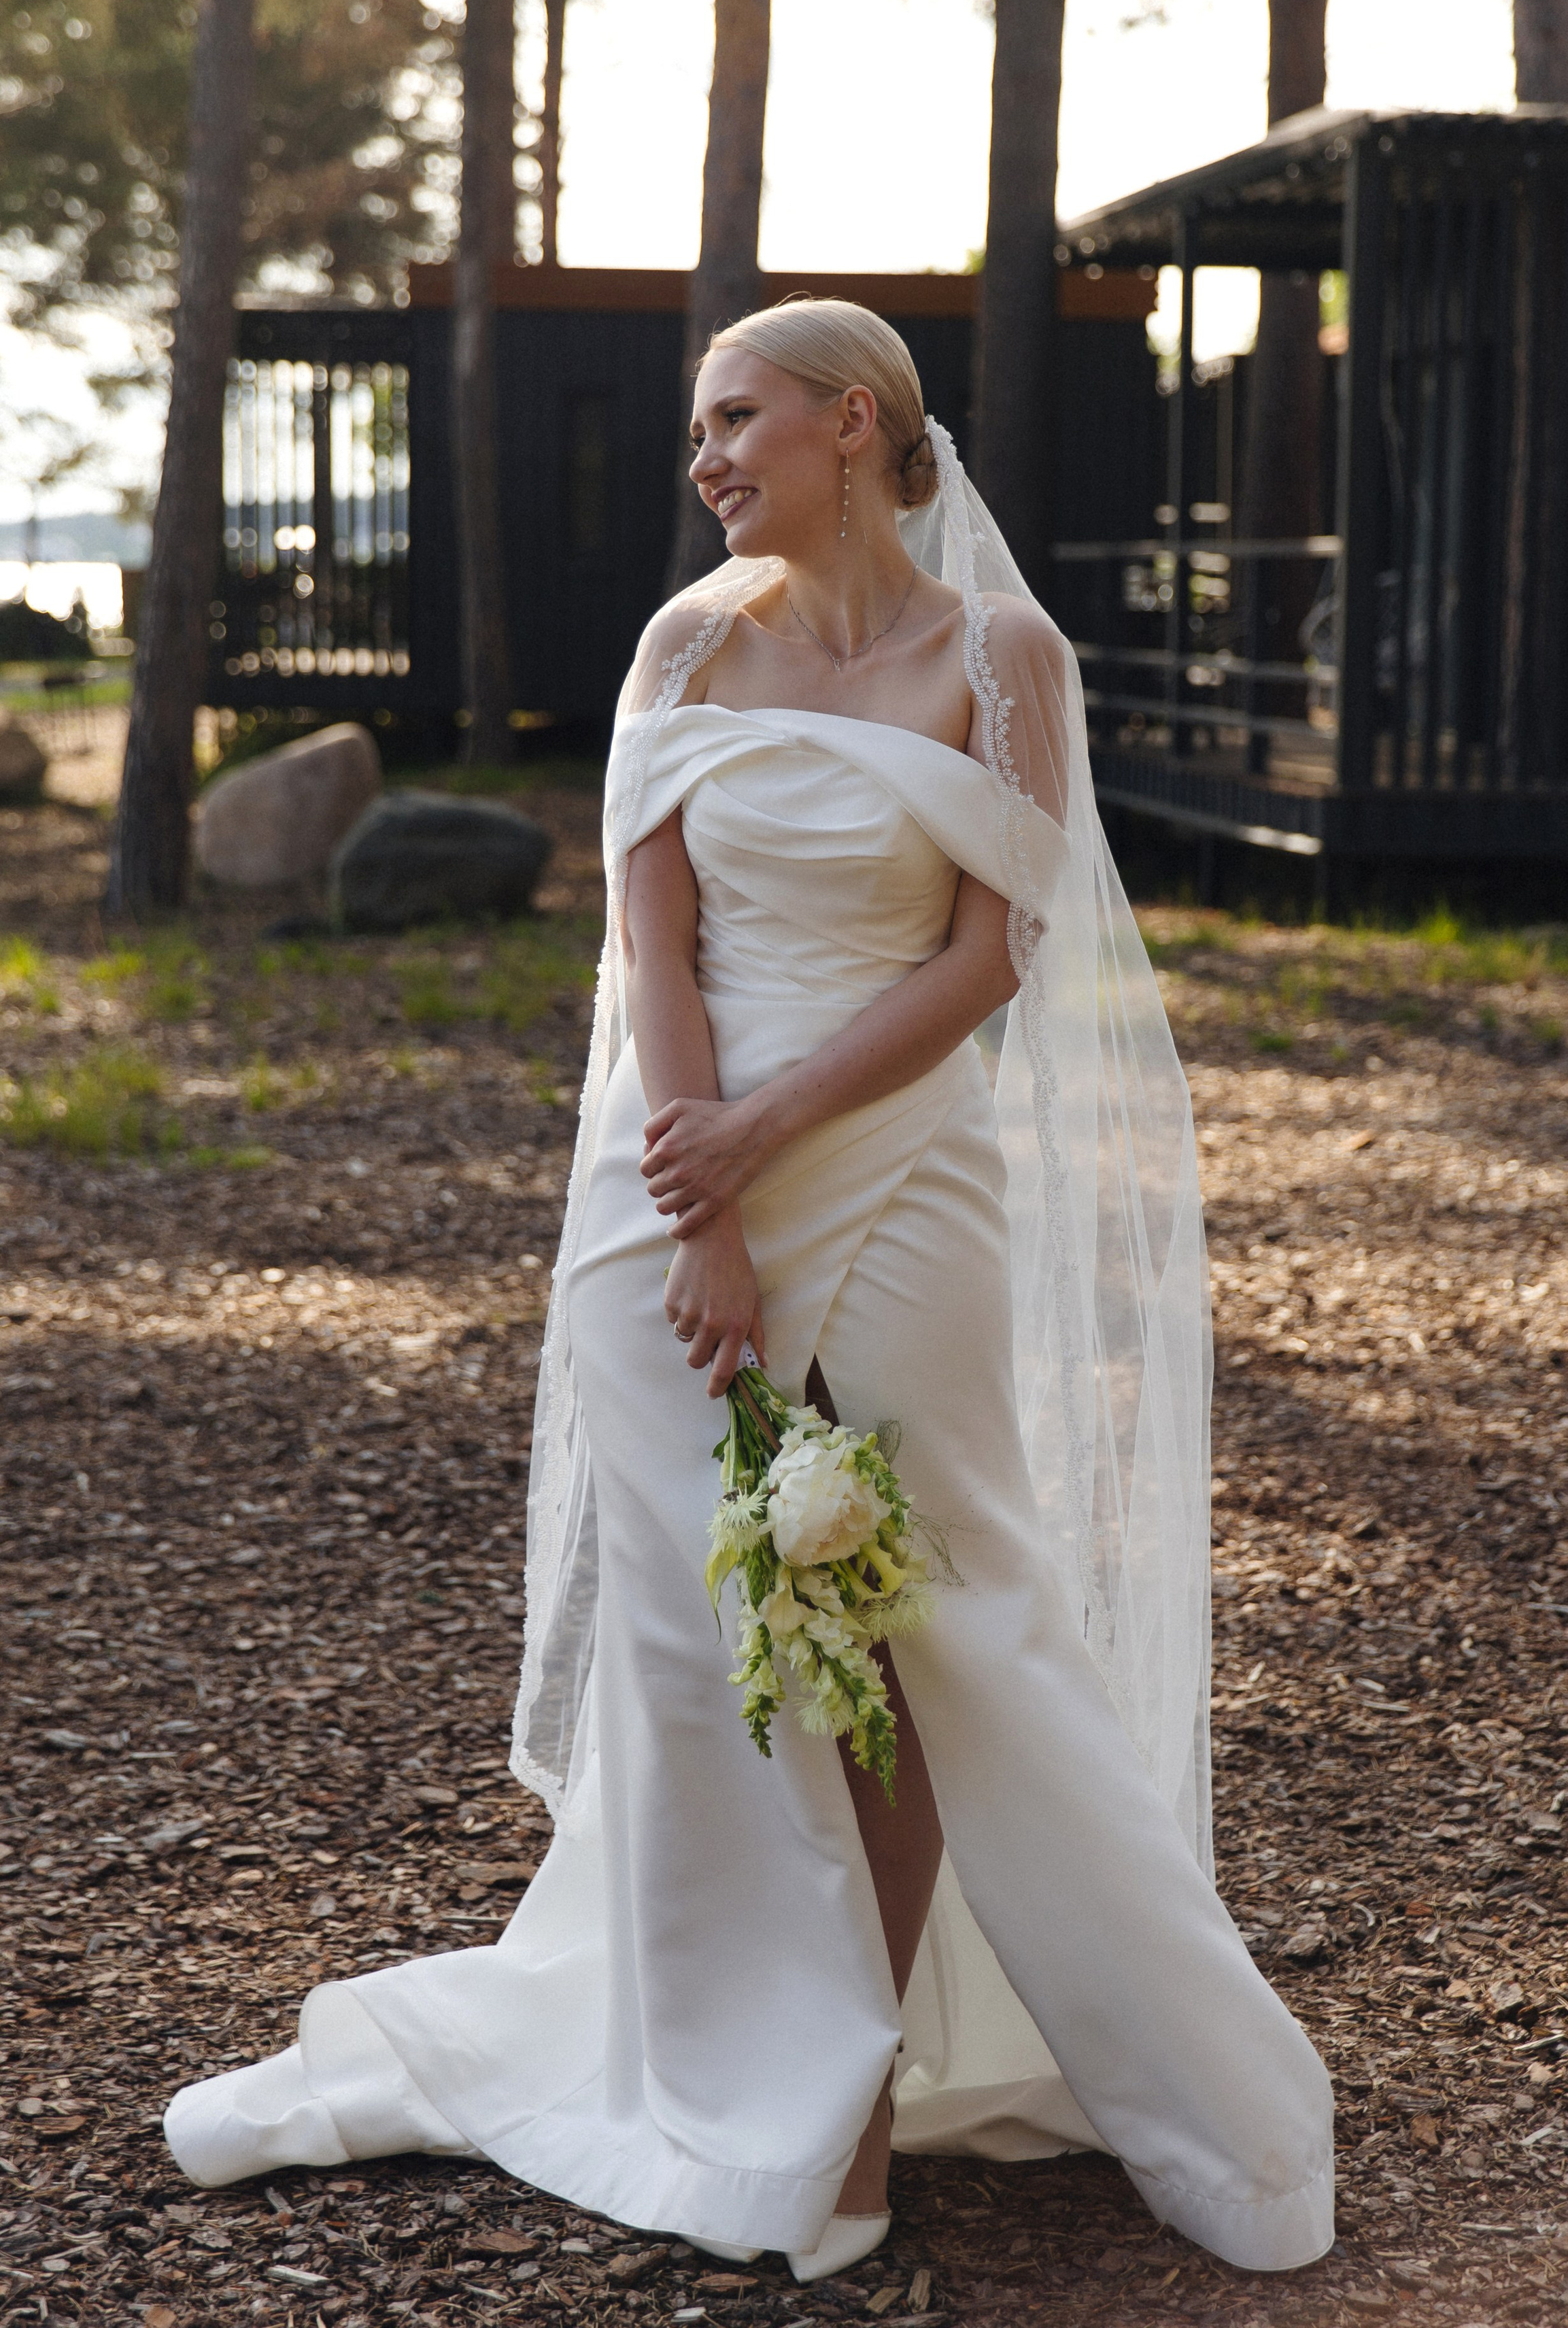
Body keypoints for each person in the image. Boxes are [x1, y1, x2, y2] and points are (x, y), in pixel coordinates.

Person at [165, 300, 1335, 2280]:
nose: (704, 459)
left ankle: (858, 2091)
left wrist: (771, 1132)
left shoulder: (1004, 658)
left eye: (733, 418)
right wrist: (701, 1193)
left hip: (898, 1165)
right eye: (698, 429)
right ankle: (763, 2077)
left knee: (938, 1626)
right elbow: (659, 944)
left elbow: (989, 962)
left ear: (851, 422)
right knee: (713, 1652)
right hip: (675, 1177)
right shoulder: (690, 642)